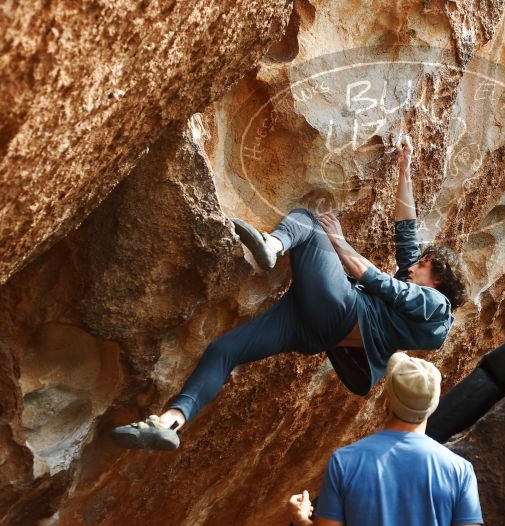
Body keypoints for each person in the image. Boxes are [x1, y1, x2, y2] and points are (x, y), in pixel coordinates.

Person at [111, 135, 469, 450]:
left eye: (421, 265)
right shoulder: (419, 298)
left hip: (340, 310)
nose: (412, 265)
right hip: (312, 329)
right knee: (224, 350)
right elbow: (405, 230)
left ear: (437, 278)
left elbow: (375, 279)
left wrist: (340, 242)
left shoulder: (436, 307)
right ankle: (171, 421)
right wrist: (405, 169)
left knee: (308, 220)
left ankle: (273, 244)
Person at [287, 352, 483, 526]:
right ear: (432, 406)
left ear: (386, 401)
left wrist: (301, 519)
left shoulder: (344, 462)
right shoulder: (460, 471)